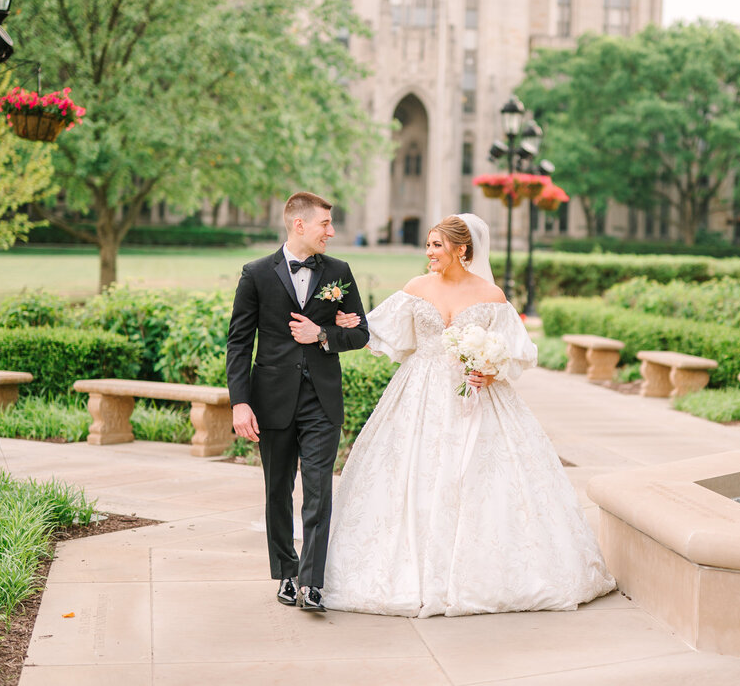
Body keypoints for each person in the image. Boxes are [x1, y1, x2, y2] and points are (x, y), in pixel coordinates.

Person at [321, 213, 615, 617]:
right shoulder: (416, 288)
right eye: (427, 245)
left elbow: (518, 353)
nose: (428, 253)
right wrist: (343, 321)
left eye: (436, 245)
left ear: (462, 249)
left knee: (484, 480)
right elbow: (374, 329)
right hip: (418, 393)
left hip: (477, 396)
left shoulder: (491, 296)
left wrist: (492, 369)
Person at [226, 191, 370, 613]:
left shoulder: (340, 272)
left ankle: (312, 582)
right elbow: (239, 343)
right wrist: (240, 402)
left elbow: (360, 333)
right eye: (325, 223)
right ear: (299, 225)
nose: (332, 230)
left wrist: (324, 335)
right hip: (271, 400)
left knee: (319, 491)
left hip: (322, 401)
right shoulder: (255, 274)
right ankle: (286, 574)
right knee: (277, 491)